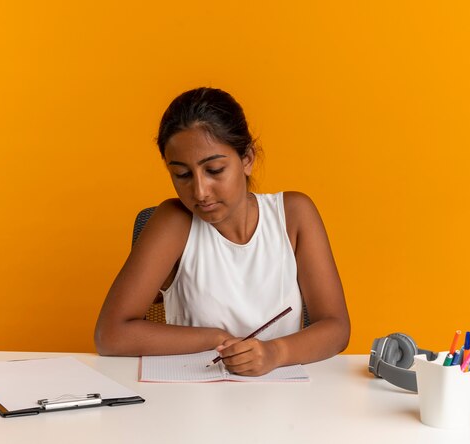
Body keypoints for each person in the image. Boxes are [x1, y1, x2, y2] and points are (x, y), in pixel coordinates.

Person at [95, 87, 350, 376]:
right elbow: (110, 336)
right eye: (182, 175)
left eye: (214, 170)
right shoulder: (174, 221)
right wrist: (216, 339)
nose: (200, 192)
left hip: (282, 402)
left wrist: (274, 353)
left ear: (247, 159)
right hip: (193, 400)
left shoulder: (294, 215)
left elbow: (336, 327)